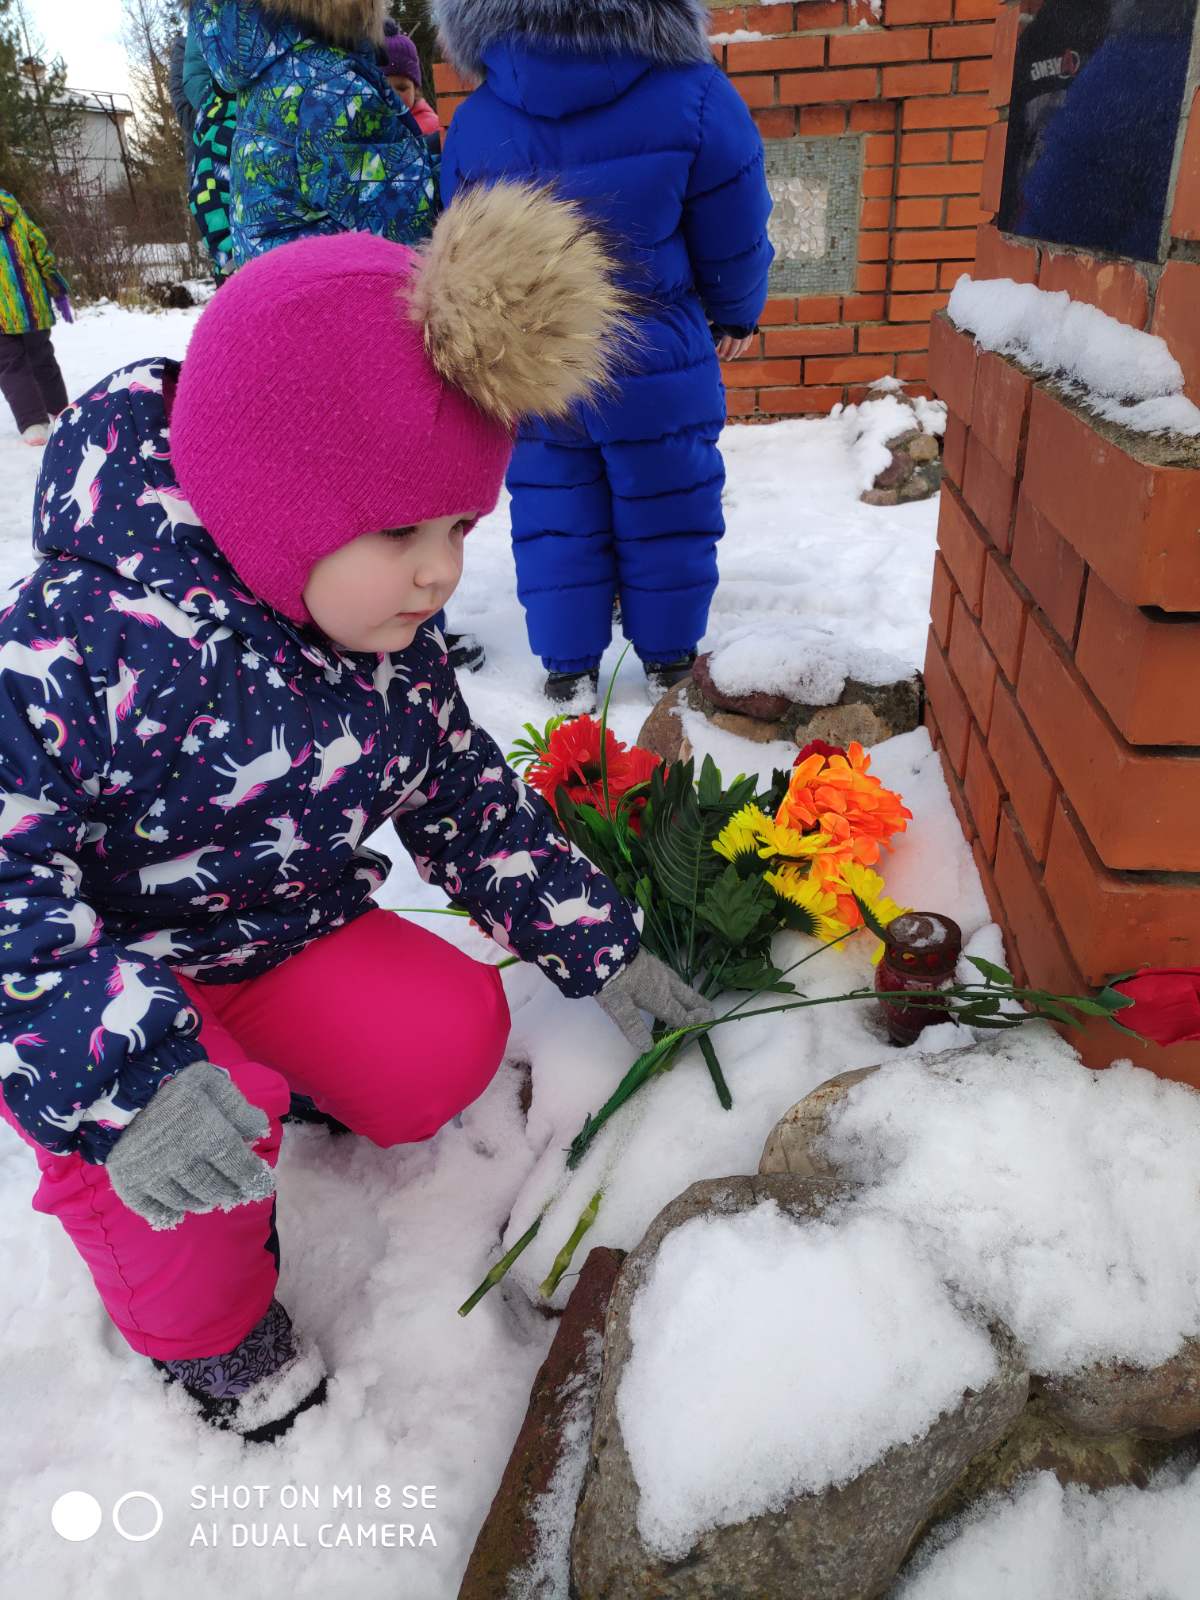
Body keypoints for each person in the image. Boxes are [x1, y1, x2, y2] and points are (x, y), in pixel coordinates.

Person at [0, 182, 710, 1443]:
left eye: (460, 524)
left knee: (451, 1033)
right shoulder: (86, 642)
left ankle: (279, 1072)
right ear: (271, 498)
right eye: (398, 528)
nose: (440, 569)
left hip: (275, 939)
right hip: (105, 985)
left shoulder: (390, 648)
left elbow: (470, 804)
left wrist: (601, 942)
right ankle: (202, 1332)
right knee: (197, 1158)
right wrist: (118, 1077)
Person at [436, 0, 773, 710]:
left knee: (556, 510)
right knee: (669, 505)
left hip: (542, 359)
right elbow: (735, 221)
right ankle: (669, 658)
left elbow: (464, 248)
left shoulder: (478, 120)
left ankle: (569, 668)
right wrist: (736, 309)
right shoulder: (697, 95)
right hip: (658, 352)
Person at [192, 0, 436, 267]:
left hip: (282, 282)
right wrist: (450, 171)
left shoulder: (268, 75)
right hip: (340, 284)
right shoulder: (327, 81)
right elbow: (403, 216)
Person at [0, 187, 72, 447]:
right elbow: (42, 254)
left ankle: (33, 423)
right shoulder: (15, 212)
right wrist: (58, 290)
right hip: (33, 304)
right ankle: (60, 410)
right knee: (42, 357)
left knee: (11, 366)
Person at [380, 21, 442, 148]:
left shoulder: (432, 128)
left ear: (416, 89)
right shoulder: (369, 126)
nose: (394, 96)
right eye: (385, 89)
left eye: (402, 88)